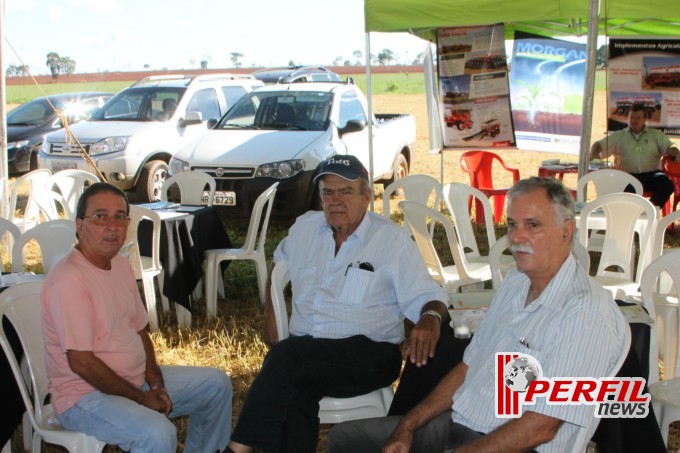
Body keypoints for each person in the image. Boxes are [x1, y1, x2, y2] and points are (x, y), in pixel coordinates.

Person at [326, 177, 628, 452]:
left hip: (513, 445)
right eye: (511, 224)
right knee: (346, 439)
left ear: (567, 231)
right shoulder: (515, 283)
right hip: (459, 425)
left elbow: (543, 425)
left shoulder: (586, 310)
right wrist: (408, 425)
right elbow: (468, 366)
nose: (517, 237)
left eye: (533, 225)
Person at [227, 155, 449, 453]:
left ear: (367, 196)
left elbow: (429, 297)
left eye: (345, 191)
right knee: (296, 386)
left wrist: (431, 317)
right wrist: (270, 309)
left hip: (369, 354)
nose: (335, 200)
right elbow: (279, 263)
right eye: (327, 192)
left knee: (287, 358)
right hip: (307, 353)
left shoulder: (390, 241)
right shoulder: (304, 229)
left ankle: (235, 450)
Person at [41, 182, 232, 453]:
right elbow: (81, 363)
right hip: (85, 396)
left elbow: (140, 329)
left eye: (120, 216)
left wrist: (154, 381)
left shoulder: (119, 263)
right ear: (79, 225)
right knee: (157, 434)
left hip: (133, 381)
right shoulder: (69, 279)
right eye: (100, 216)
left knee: (216, 386)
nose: (112, 225)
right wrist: (141, 399)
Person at [590, 103, 680, 208]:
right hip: (628, 177)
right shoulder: (619, 136)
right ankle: (633, 215)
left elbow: (670, 147)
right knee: (622, 192)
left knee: (667, 185)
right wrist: (595, 153)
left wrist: (677, 153)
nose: (634, 120)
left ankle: (649, 211)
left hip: (652, 175)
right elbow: (597, 145)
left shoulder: (656, 135)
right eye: (631, 117)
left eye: (638, 117)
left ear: (645, 119)